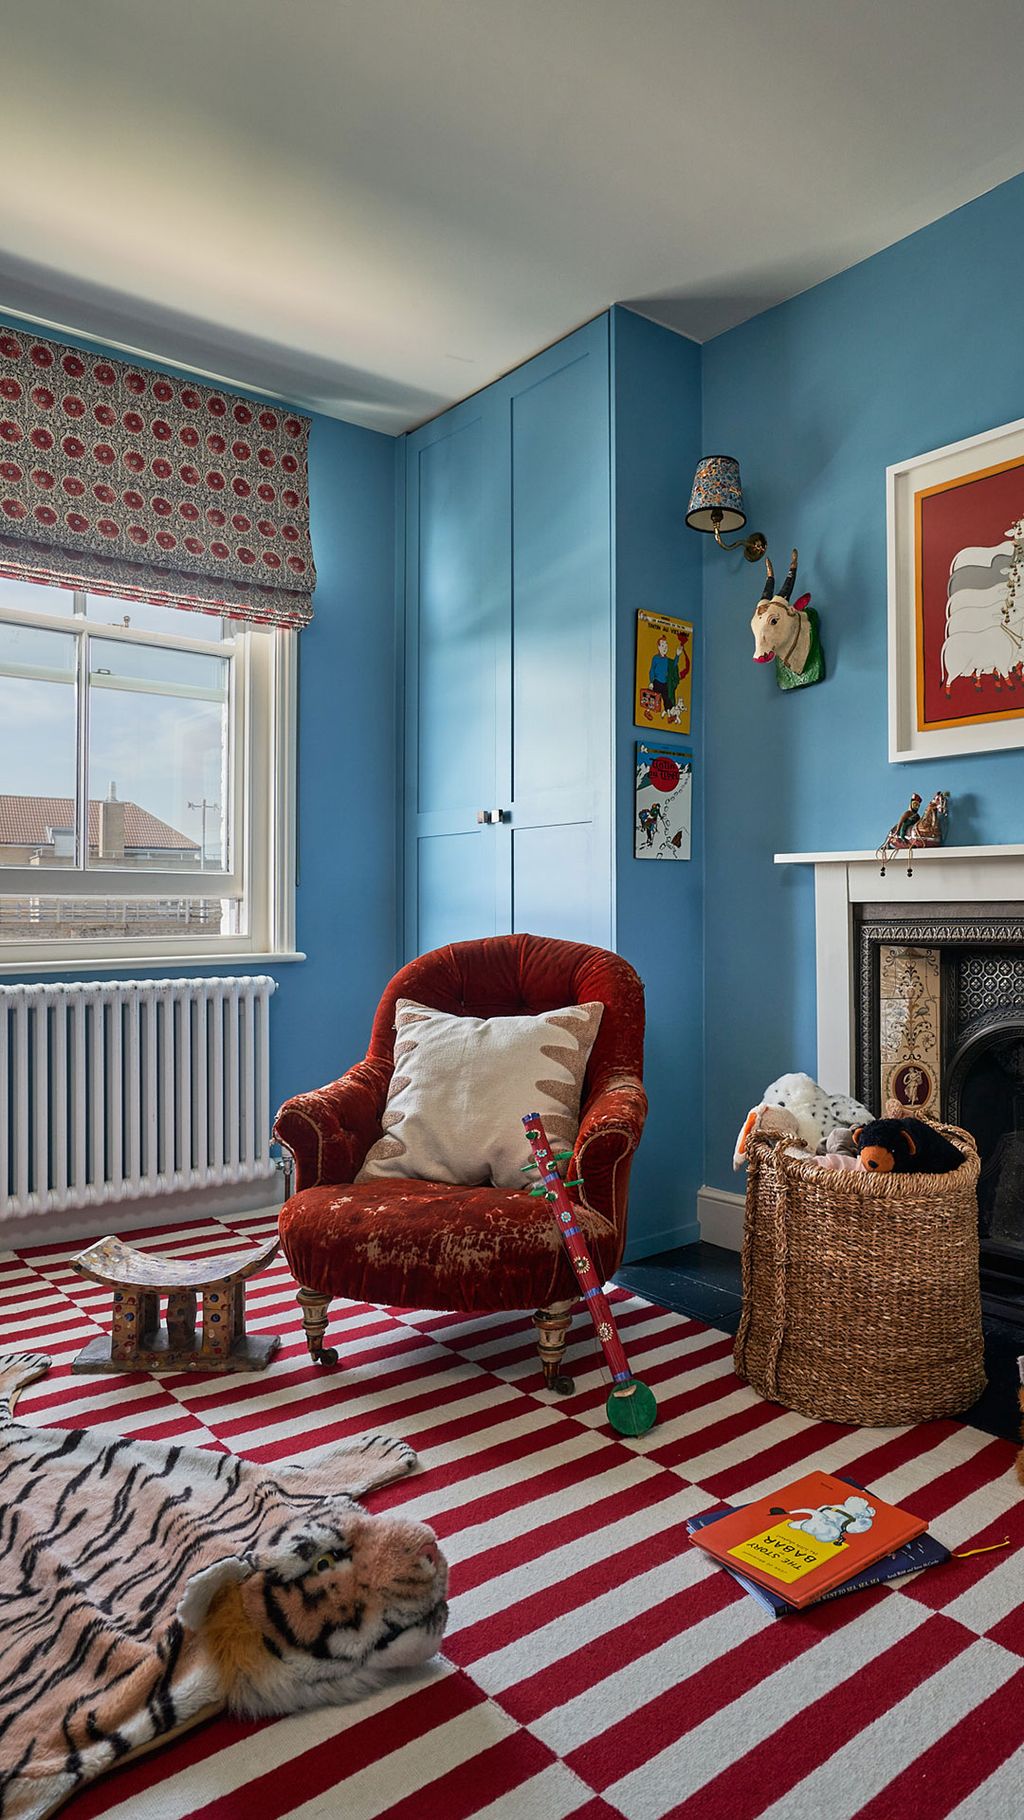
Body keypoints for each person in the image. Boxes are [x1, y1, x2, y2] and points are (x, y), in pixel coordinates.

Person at [648, 635, 670, 713]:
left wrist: (677, 655)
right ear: (659, 647)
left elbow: (673, 666)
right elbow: (652, 670)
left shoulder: (667, 660)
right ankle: (648, 711)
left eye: (666, 645)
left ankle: (669, 713)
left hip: (664, 682)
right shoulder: (655, 658)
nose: (665, 647)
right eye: (662, 645)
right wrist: (651, 682)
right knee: (654, 698)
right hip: (657, 681)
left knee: (666, 698)